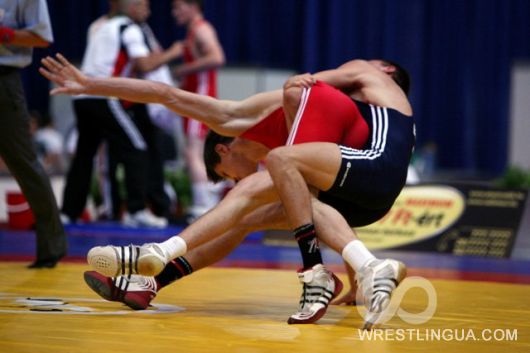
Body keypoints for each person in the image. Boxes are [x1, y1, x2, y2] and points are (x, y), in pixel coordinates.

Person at [40, 55, 411, 328]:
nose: (231, 180)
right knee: (259, 208)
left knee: (258, 186)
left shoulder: (353, 90)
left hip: (371, 166)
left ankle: (160, 253)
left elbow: (307, 84)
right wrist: (92, 86)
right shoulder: (243, 118)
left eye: (225, 174)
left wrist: (305, 80)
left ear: (223, 150)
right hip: (360, 191)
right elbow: (164, 94)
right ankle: (152, 280)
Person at [60, 0, 181, 227]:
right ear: (132, 7)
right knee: (137, 146)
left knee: (84, 155)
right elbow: (144, 65)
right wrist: (173, 52)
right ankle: (136, 210)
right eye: (144, 6)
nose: (148, 11)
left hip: (82, 97)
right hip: (105, 97)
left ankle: (68, 212)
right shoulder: (129, 28)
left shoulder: (99, 26)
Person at [0, 0, 67, 268]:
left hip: (4, 78)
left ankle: (52, 245)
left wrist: (5, 34)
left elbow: (42, 37)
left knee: (23, 162)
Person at [171, 0, 226, 220]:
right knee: (199, 151)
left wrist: (182, 69)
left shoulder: (202, 30)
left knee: (193, 151)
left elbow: (217, 57)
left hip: (201, 99)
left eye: (178, 7)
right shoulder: (194, 32)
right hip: (197, 98)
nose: (174, 13)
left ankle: (204, 204)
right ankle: (207, 200)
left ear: (193, 6)